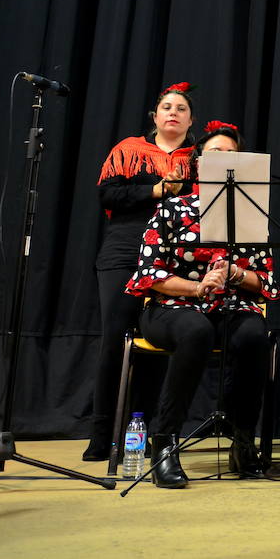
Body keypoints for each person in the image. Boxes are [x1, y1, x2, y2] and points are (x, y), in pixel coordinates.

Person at [126, 120, 280, 487]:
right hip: (171, 308)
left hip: (229, 305)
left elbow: (267, 283)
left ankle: (243, 440)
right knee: (195, 330)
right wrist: (196, 288)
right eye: (215, 154)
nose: (224, 160)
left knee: (255, 334)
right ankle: (164, 442)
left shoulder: (250, 218)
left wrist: (237, 274)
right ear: (198, 163)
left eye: (231, 154)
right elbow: (148, 274)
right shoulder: (171, 210)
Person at [82, 82, 196, 462]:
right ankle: (101, 436)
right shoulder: (129, 151)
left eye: (181, 108)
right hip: (124, 251)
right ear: (155, 116)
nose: (173, 113)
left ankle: (142, 432)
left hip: (170, 258)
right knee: (114, 341)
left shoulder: (196, 160)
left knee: (156, 346)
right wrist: (155, 191)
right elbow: (107, 195)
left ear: (190, 119)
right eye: (167, 107)